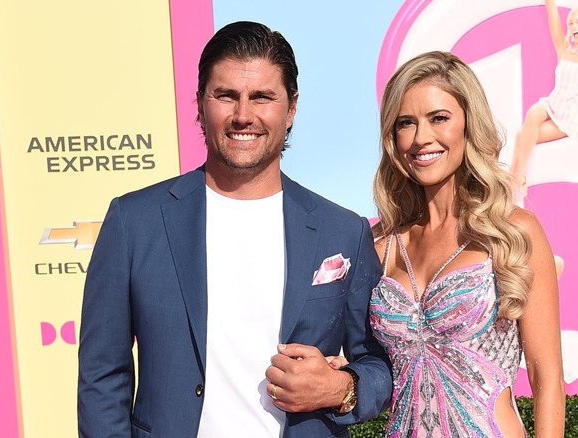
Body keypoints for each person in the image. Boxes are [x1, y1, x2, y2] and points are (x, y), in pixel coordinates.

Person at [77, 21, 392, 437]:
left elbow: (379, 364)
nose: (243, 115)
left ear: (291, 107)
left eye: (262, 97)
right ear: (199, 103)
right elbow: (102, 375)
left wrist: (340, 387)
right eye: (226, 95)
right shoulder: (134, 221)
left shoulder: (342, 230)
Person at [331, 51, 566, 437]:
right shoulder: (379, 247)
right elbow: (367, 365)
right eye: (406, 123)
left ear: (468, 124)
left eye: (439, 118)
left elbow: (548, 378)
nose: (422, 137)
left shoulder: (513, 232)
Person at [509, 0, 578, 195]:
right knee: (532, 113)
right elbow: (552, 14)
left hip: (570, 117)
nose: (573, 26)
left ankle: (511, 188)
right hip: (552, 103)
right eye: (571, 23)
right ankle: (519, 177)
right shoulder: (564, 50)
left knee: (520, 136)